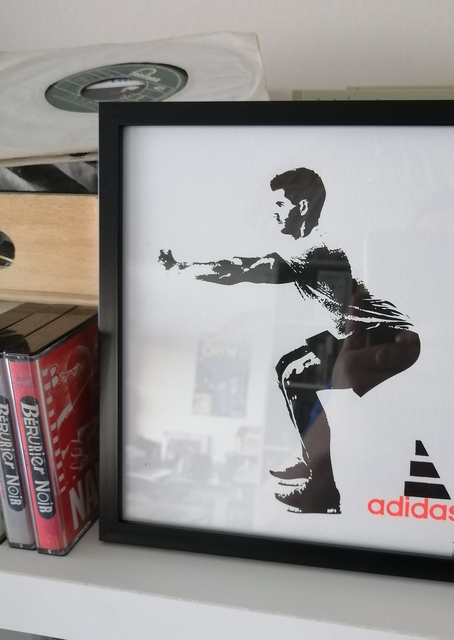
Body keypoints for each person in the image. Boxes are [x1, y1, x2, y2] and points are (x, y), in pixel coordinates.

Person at [158, 168, 420, 514]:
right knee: (288, 367)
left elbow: (240, 269)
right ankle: (315, 461)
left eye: (280, 204)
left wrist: (182, 267)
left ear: (302, 208)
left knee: (295, 373)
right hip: (353, 332)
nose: (274, 213)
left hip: (377, 335)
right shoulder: (315, 244)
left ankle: (324, 481)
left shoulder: (313, 250)